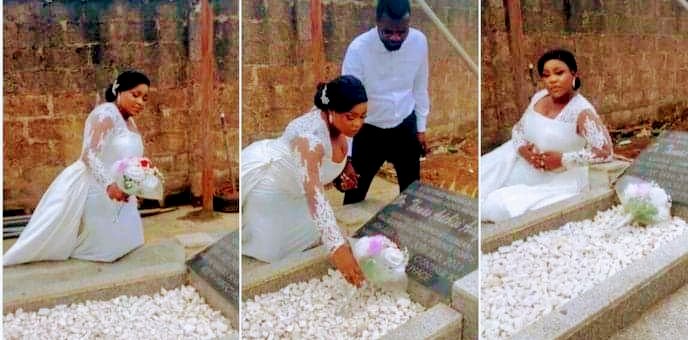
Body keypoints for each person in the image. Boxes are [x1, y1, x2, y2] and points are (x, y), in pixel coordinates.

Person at [4, 71, 152, 266]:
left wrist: (137, 182)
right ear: (119, 90)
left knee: (128, 244)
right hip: (100, 189)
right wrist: (110, 186)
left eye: (145, 98)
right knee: (103, 250)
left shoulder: (129, 121)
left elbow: (128, 157)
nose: (141, 102)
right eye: (135, 94)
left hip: (122, 192)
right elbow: (89, 154)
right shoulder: (105, 115)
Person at [241, 75, 367, 287]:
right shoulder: (309, 139)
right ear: (331, 112)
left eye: (363, 116)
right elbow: (313, 192)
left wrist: (345, 166)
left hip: (299, 192)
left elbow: (332, 153)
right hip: (272, 185)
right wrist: (337, 247)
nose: (357, 124)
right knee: (272, 253)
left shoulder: (336, 120)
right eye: (350, 117)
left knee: (311, 239)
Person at [481, 49, 613, 222]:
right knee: (481, 180)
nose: (552, 80)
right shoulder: (539, 97)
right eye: (546, 75)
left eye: (559, 73)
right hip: (523, 162)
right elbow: (518, 130)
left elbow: (605, 152)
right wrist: (524, 151)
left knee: (498, 206)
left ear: (574, 74)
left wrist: (563, 159)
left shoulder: (581, 111)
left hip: (557, 178)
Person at [338, 0, 429, 204]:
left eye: (401, 32)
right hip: (368, 131)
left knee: (412, 195)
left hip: (405, 127)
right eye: (388, 32)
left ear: (409, 24)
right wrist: (348, 157)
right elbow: (348, 105)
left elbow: (420, 87)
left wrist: (421, 128)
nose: (395, 37)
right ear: (377, 22)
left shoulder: (419, 42)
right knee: (354, 197)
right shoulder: (358, 50)